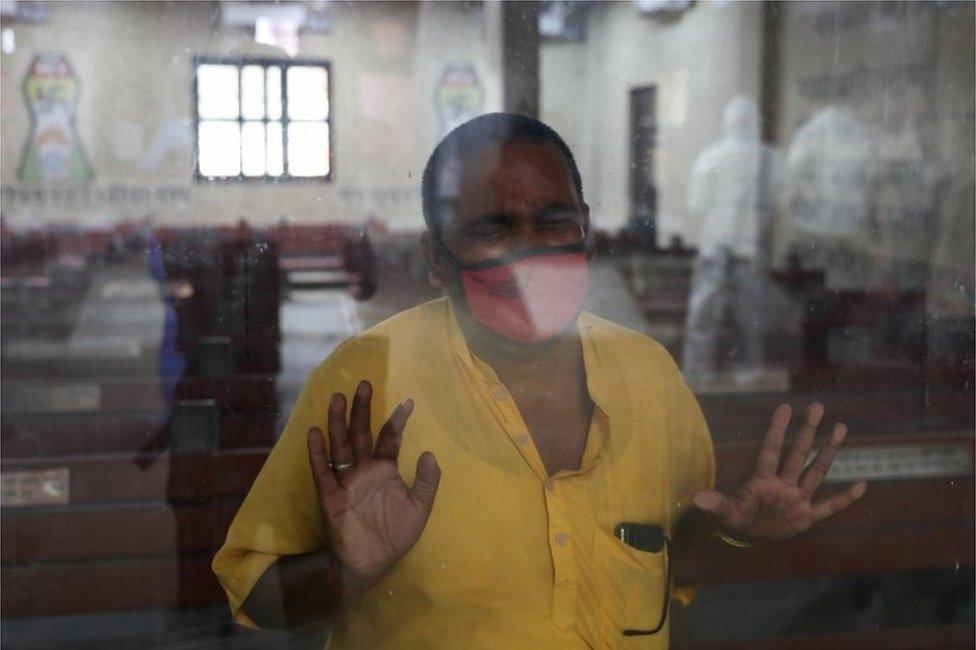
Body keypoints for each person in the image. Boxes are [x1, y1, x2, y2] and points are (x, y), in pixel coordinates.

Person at [212, 113, 866, 648]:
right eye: (492, 228)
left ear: (585, 229)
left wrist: (732, 532)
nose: (528, 251)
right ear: (436, 261)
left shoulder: (648, 376)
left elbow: (663, 567)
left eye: (553, 221)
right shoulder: (367, 379)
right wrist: (343, 575)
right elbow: (257, 599)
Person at [682, 97, 783, 386]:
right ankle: (746, 372)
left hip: (715, 244)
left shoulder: (711, 157)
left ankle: (698, 372)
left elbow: (697, 204)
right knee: (749, 317)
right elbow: (778, 202)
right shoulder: (769, 159)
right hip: (748, 247)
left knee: (704, 315)